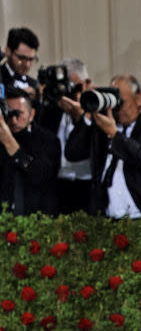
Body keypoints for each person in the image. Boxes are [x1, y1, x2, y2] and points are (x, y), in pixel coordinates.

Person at [65, 74, 141, 221]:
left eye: (121, 102)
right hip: (107, 219)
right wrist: (89, 113)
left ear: (138, 99)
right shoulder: (104, 125)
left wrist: (115, 135)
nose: (117, 109)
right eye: (114, 102)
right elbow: (73, 152)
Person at [37, 57, 93, 214]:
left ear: (87, 83)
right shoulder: (50, 112)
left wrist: (79, 118)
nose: (70, 94)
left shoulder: (99, 110)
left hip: (87, 187)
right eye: (65, 88)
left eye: (75, 87)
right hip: (58, 186)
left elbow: (88, 146)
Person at [0, 87, 60, 214]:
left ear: (32, 114)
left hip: (36, 216)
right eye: (9, 114)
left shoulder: (47, 140)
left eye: (18, 114)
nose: (13, 121)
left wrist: (12, 146)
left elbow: (42, 175)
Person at [1, 27, 39, 102]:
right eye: (21, 58)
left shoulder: (34, 84)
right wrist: (21, 93)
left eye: (31, 59)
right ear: (7, 51)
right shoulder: (1, 77)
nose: (27, 65)